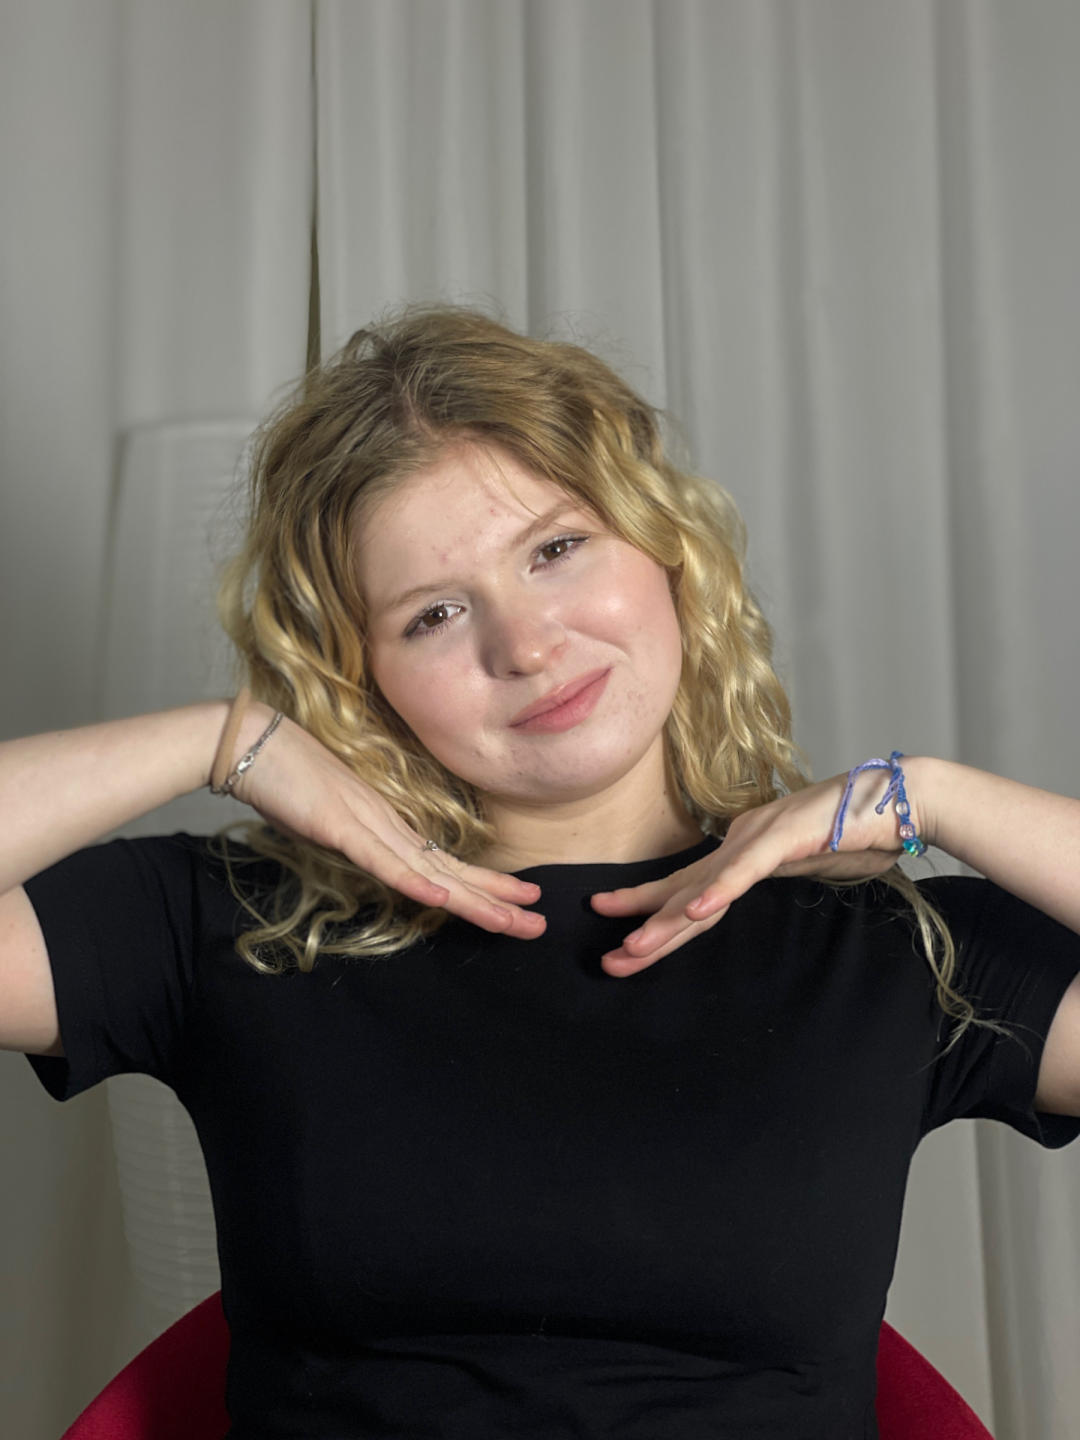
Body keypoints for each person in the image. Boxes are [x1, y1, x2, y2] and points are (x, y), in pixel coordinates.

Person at [2, 301, 1079, 1440]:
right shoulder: (242, 922)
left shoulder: (890, 949)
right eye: (433, 615)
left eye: (556, 550)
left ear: (665, 545)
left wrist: (931, 796)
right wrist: (217, 741)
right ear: (362, 680)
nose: (524, 645)